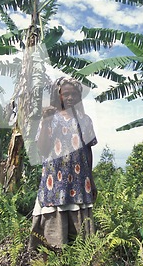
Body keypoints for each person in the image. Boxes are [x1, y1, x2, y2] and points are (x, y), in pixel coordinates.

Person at [28, 77, 97, 253]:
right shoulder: (50, 118)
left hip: (80, 180)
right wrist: (46, 122)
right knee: (54, 211)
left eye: (74, 94)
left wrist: (91, 177)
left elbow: (88, 150)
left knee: (80, 229)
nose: (70, 97)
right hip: (54, 181)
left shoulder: (85, 120)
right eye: (66, 94)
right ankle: (53, 252)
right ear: (58, 95)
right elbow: (42, 149)